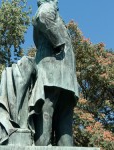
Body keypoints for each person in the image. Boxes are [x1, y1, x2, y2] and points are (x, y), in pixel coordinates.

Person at [28, 0, 79, 146]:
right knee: (47, 107)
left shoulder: (54, 11)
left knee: (64, 111)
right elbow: (43, 17)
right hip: (52, 68)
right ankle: (42, 145)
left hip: (64, 73)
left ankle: (66, 146)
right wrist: (58, 42)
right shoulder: (47, 7)